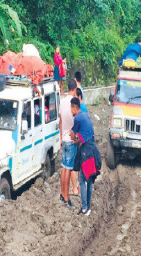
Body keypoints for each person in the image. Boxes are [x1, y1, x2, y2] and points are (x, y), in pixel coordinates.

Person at [70, 97, 101, 216]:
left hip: (86, 152)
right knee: (90, 179)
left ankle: (84, 208)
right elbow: (85, 135)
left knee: (82, 180)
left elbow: (73, 135)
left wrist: (72, 138)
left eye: (70, 108)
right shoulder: (85, 115)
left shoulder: (77, 118)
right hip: (93, 150)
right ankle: (88, 207)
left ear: (74, 107)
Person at [59, 79, 79, 207]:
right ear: (75, 89)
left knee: (64, 168)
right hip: (71, 141)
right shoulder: (74, 104)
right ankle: (66, 198)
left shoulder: (62, 102)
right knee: (68, 169)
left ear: (67, 88)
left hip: (64, 139)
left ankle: (62, 194)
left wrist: (61, 138)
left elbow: (60, 121)